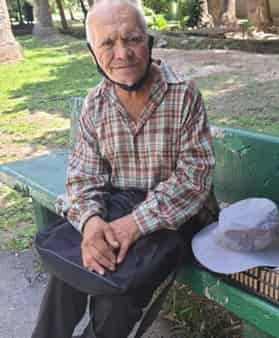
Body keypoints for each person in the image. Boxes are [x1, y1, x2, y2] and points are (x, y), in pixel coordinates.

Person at [31, 0, 218, 337]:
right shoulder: (95, 104)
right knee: (69, 276)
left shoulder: (184, 95)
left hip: (173, 218)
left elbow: (194, 181)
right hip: (115, 209)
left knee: (116, 300)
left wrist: (132, 225)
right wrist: (91, 224)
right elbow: (83, 177)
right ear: (92, 52)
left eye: (132, 39)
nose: (123, 53)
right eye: (108, 43)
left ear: (148, 41)